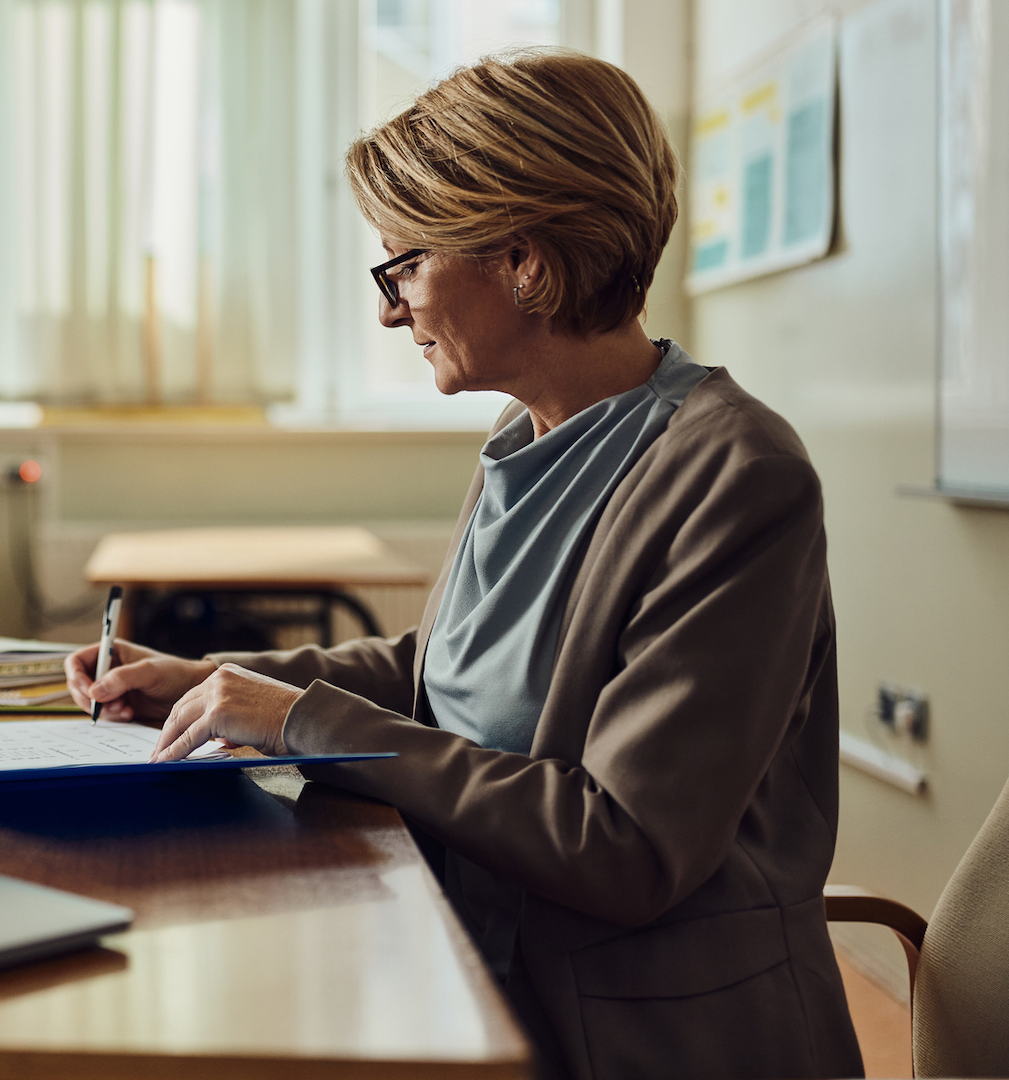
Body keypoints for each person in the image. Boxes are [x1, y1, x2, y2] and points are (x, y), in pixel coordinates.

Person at [68, 49, 861, 1080]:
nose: (390, 311)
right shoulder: (527, 435)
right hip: (470, 968)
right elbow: (444, 673)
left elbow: (623, 848)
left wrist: (304, 723)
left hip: (643, 1034)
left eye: (404, 267)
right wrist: (221, 683)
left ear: (525, 263)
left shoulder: (740, 475)